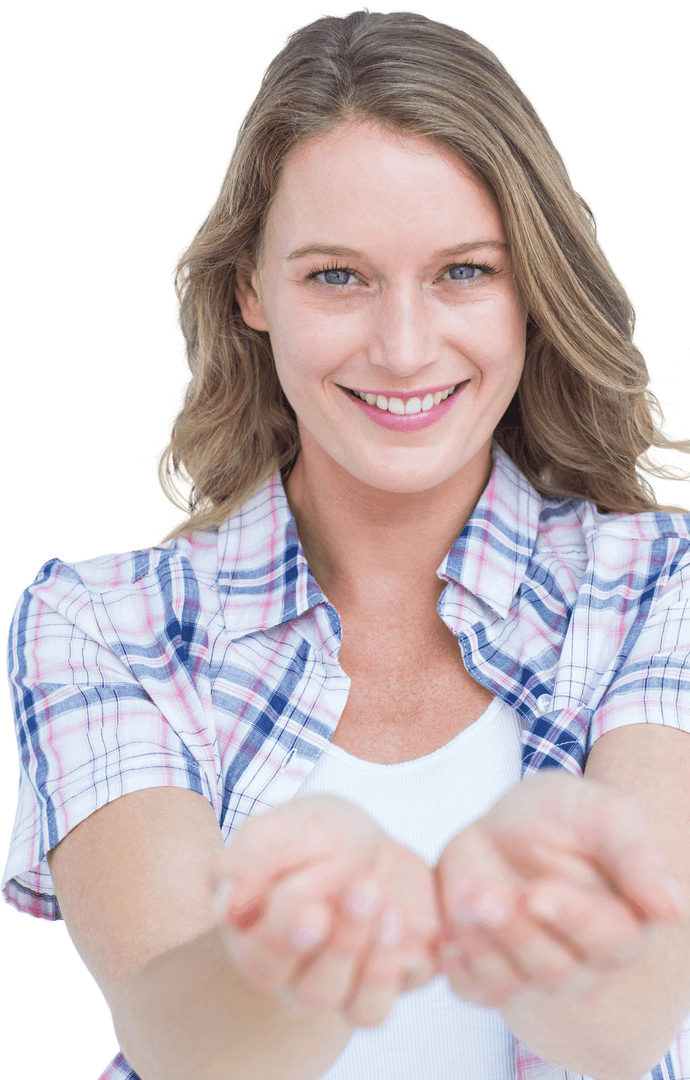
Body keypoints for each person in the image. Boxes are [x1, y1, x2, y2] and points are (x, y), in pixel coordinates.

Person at [3, 6, 690, 1079]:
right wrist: (292, 950)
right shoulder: (106, 624)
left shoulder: (660, 582)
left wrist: (535, 914)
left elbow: (631, 1023)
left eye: (464, 271)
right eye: (337, 275)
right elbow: (173, 1036)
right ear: (251, 288)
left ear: (532, 289)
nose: (404, 350)